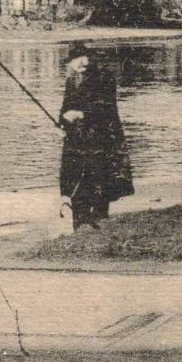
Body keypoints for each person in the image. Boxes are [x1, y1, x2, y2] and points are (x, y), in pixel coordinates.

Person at [59, 41, 133, 230]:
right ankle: (80, 224)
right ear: (70, 63)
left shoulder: (105, 77)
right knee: (76, 182)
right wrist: (64, 120)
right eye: (76, 59)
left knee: (99, 181)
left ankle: (99, 222)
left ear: (91, 58)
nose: (81, 62)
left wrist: (82, 114)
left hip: (102, 138)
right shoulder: (71, 81)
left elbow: (107, 107)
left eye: (85, 58)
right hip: (76, 139)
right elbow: (64, 110)